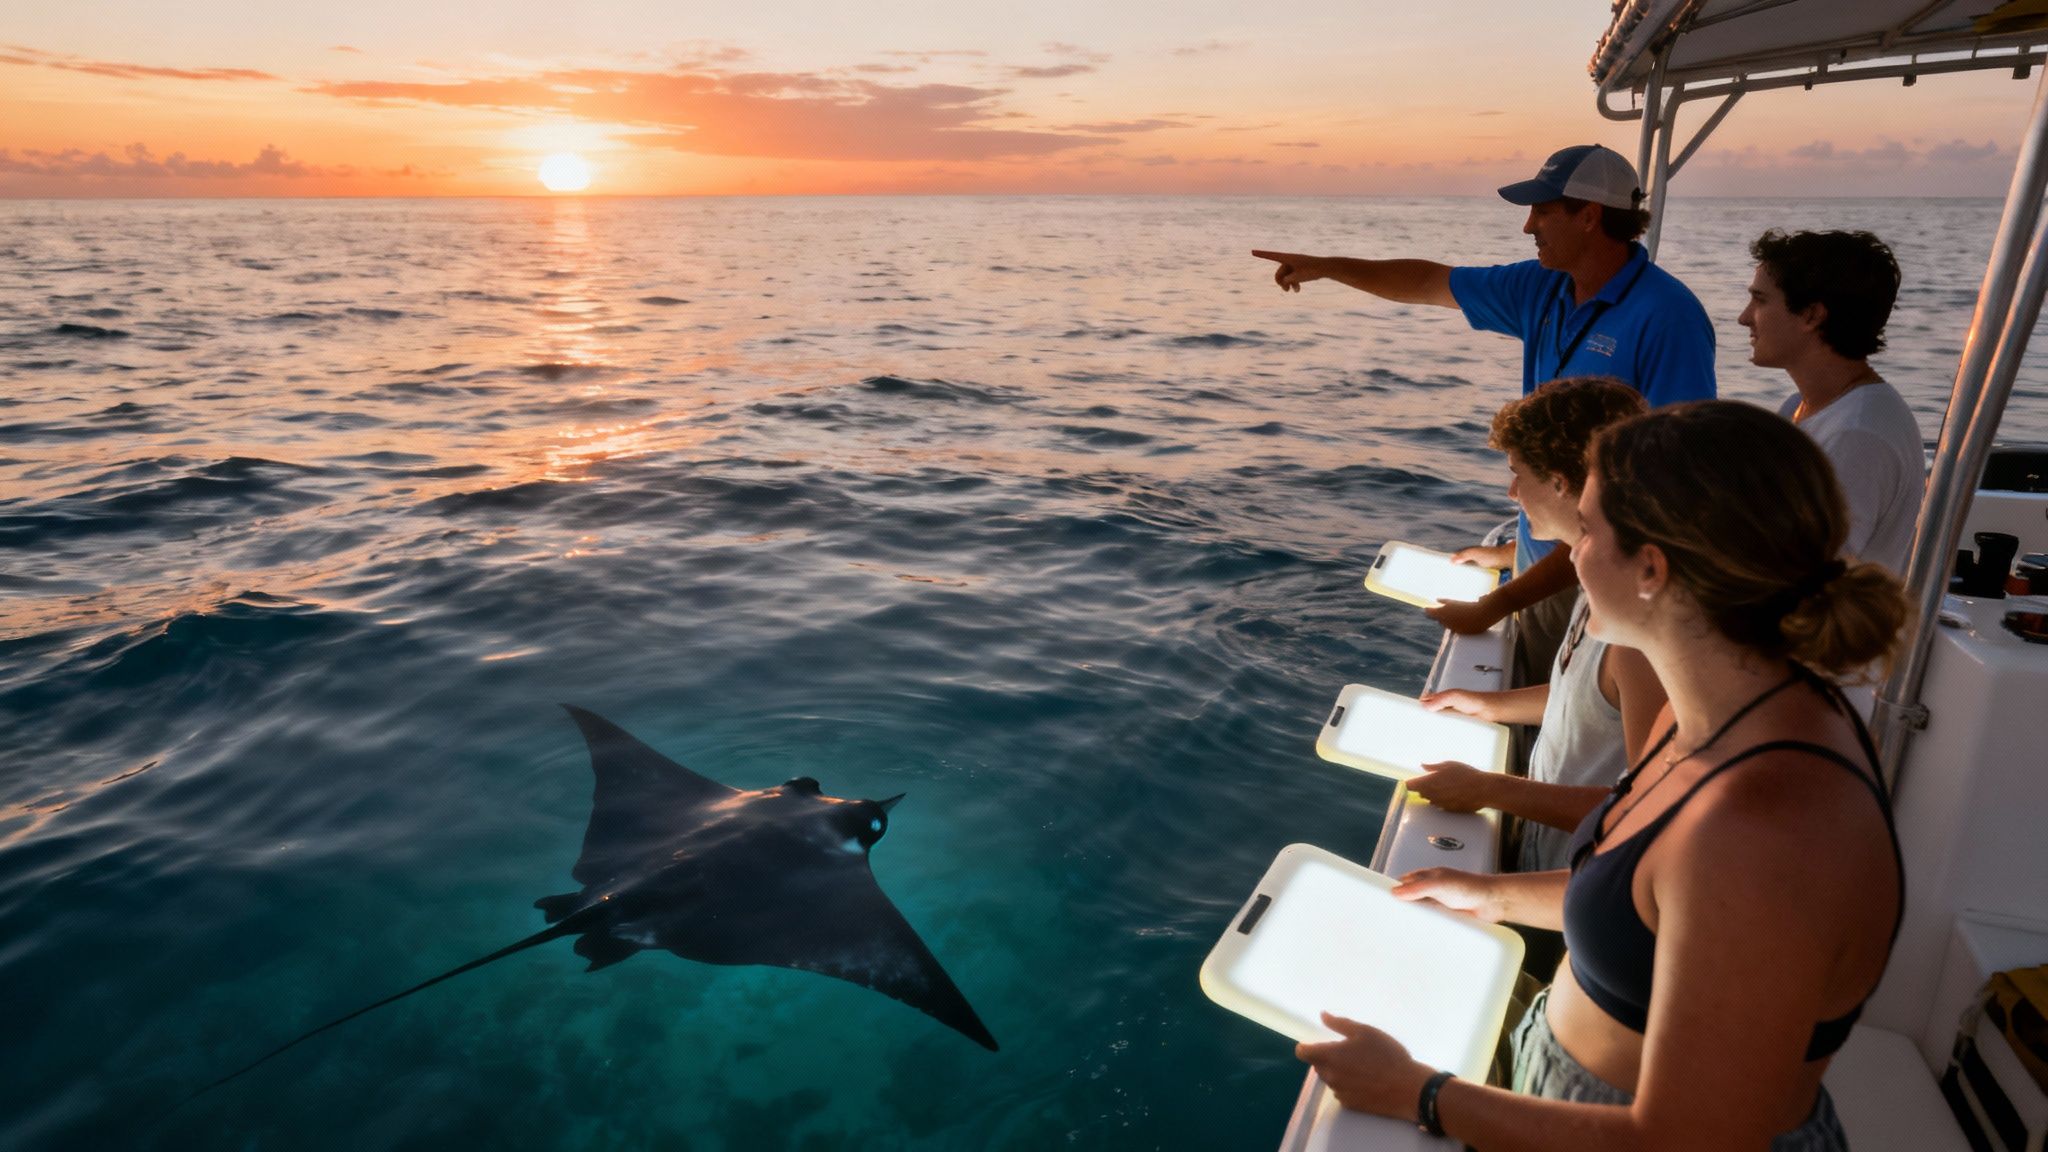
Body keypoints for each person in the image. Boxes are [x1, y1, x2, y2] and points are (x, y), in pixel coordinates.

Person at [1296, 400, 1907, 1150]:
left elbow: (1694, 1138)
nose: (1571, 556)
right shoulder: (1710, 717)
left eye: (1586, 531)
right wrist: (1484, 893)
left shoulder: (1763, 829)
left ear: (1652, 568)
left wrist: (1423, 1095)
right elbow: (1650, 905)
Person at [1254, 144, 1715, 683]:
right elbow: (1429, 282)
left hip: (1597, 581)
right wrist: (1327, 268)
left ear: (1589, 216)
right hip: (1545, 556)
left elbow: (1662, 497)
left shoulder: (1668, 318)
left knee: (1568, 729)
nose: (1528, 227)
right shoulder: (1541, 287)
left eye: (1543, 211)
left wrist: (1499, 604)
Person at [1407, 377, 1665, 880]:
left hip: (1586, 883)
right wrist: (1487, 704)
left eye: (1517, 474)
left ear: (1560, 482)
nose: (1511, 493)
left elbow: (1650, 806)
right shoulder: (1595, 577)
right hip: (1549, 858)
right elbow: (1584, 698)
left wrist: (1491, 790)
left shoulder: (1635, 627)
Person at [1742, 229, 1925, 574]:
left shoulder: (1858, 434)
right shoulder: (1800, 405)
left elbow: (1811, 576)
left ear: (1812, 315)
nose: (1744, 317)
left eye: (1760, 300)